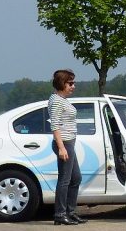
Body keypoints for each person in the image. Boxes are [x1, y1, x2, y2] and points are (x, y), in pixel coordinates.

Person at [49, 69, 86, 225]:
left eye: (73, 83)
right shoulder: (56, 100)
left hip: (69, 142)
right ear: (62, 83)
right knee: (64, 179)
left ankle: (71, 212)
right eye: (70, 83)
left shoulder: (63, 100)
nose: (73, 86)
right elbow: (55, 125)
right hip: (63, 143)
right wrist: (61, 148)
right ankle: (60, 214)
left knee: (75, 178)